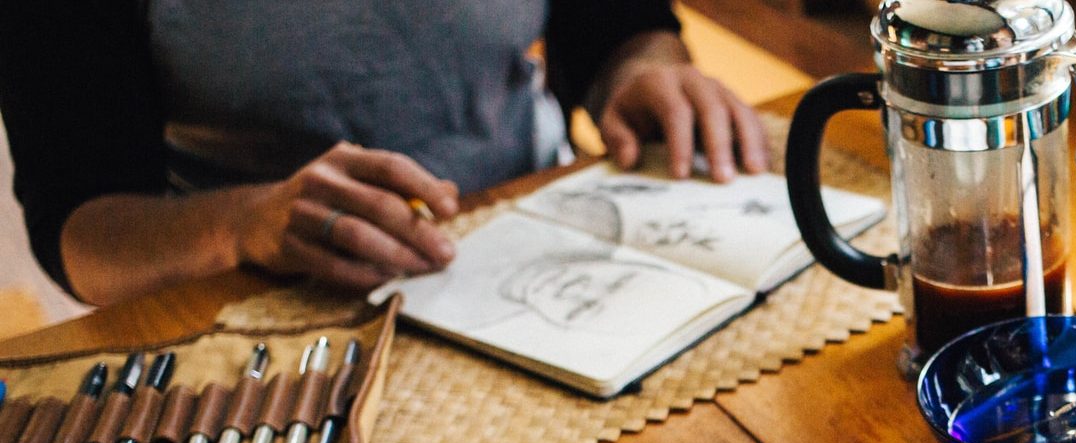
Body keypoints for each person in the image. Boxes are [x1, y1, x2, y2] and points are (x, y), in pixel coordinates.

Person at [0, 1, 768, 307]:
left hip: (536, 233)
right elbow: (82, 227)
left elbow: (616, 23)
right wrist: (244, 225)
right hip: (267, 300)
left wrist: (642, 72)